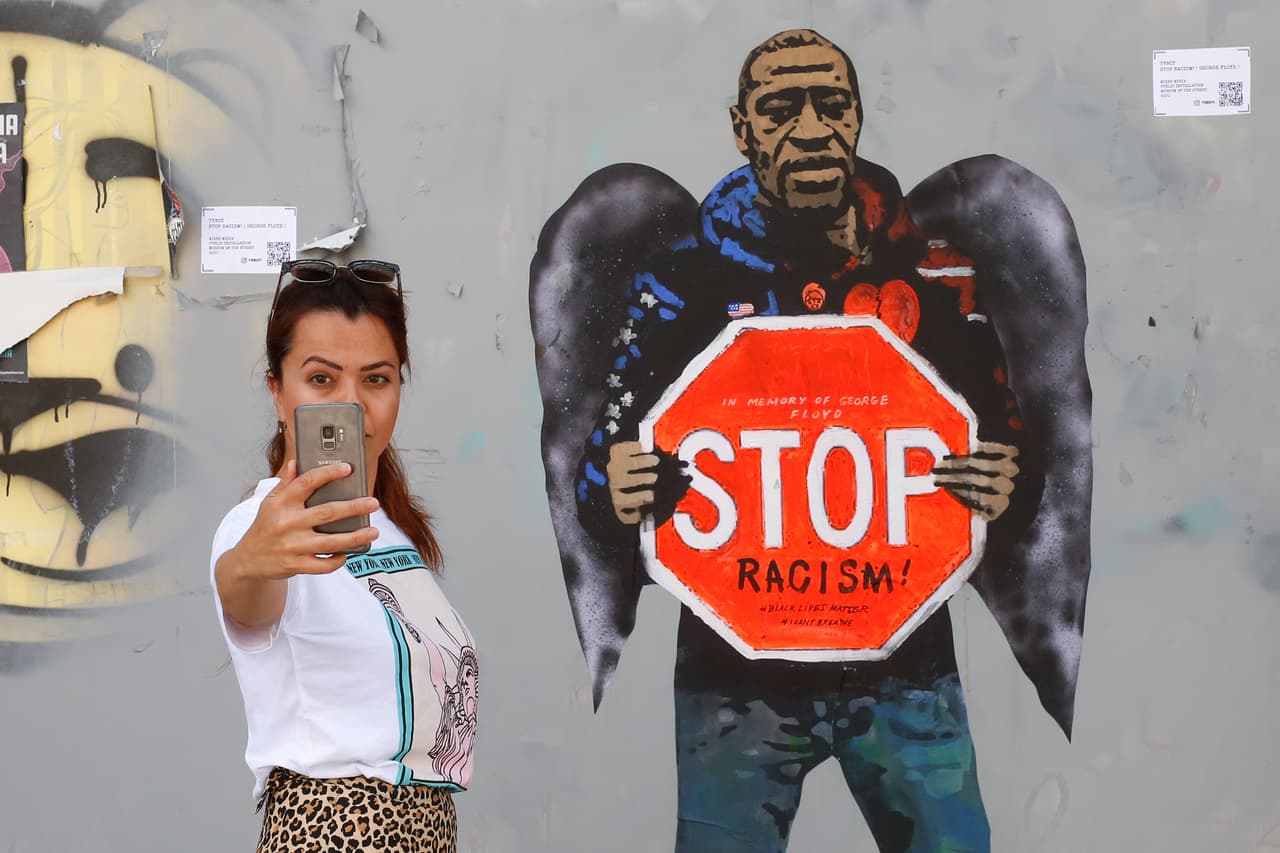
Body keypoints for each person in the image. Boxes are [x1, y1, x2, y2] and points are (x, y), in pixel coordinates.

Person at [573, 30, 1038, 853]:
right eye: (781, 109)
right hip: (735, 680)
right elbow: (602, 477)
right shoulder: (683, 284)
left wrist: (1009, 481)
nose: (813, 128)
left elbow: (1009, 448)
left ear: (858, 115)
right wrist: (614, 487)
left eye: (832, 104)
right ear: (742, 128)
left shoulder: (931, 274)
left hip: (908, 664)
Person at [210, 259, 476, 853]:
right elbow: (244, 594)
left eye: (376, 379)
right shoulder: (257, 528)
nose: (353, 404)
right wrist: (255, 557)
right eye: (322, 380)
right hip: (331, 830)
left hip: (424, 829)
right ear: (278, 391)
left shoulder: (392, 527)